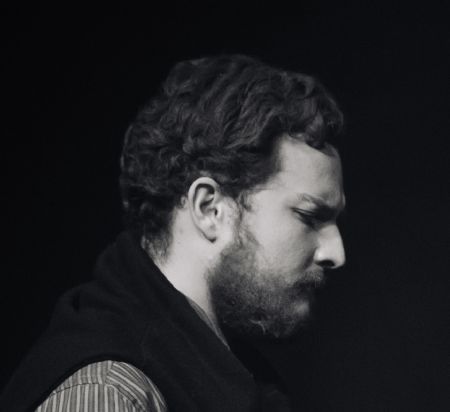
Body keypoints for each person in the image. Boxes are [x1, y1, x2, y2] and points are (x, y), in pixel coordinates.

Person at [2, 54, 346, 411]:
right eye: (310, 217)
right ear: (209, 209)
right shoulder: (109, 394)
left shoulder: (223, 375)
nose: (336, 253)